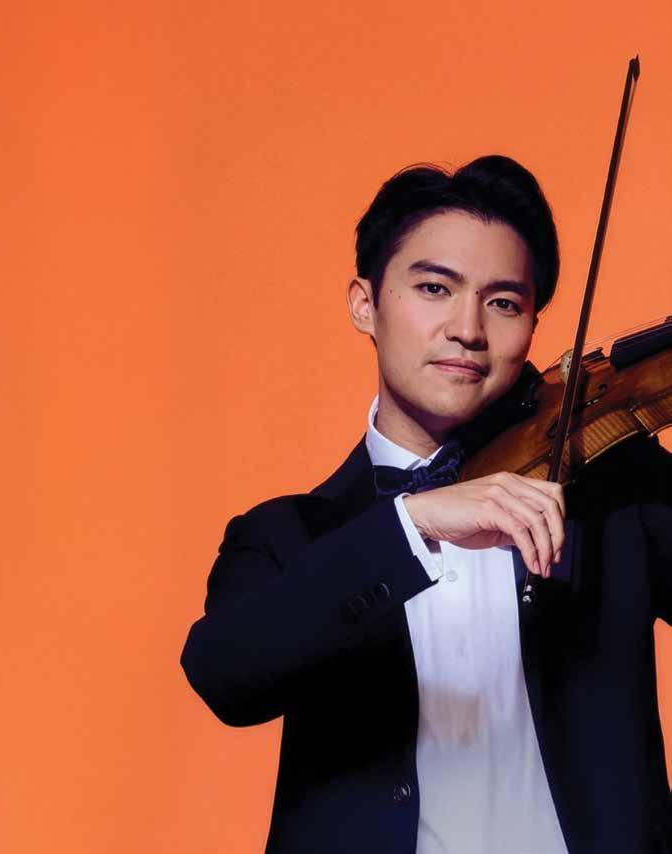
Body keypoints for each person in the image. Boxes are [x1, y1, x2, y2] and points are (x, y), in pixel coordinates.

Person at [179, 155, 672, 854]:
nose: (468, 329)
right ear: (365, 304)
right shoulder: (288, 535)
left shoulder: (612, 492)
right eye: (435, 288)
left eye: (505, 303)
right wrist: (413, 524)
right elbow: (223, 672)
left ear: (533, 325)